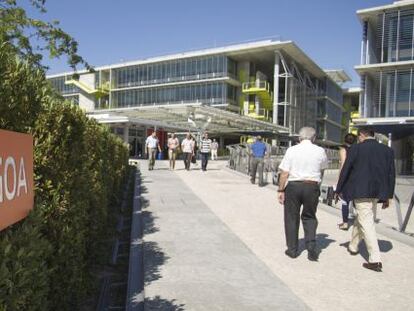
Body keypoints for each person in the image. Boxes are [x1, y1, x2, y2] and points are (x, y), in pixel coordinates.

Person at [335, 127, 395, 272]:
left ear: (362, 135)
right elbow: (391, 174)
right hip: (377, 193)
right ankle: (353, 245)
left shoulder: (356, 149)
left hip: (360, 191)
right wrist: (388, 196)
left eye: (359, 137)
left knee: (366, 222)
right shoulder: (387, 151)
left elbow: (346, 170)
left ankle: (375, 259)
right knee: (362, 218)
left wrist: (339, 189)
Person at [278, 127, 328, 261]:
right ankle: (311, 247)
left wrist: (281, 190)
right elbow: (322, 170)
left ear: (299, 138)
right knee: (309, 216)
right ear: (314, 138)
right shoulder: (320, 151)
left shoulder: (291, 150)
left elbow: (284, 173)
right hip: (311, 186)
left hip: (293, 186)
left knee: (291, 217)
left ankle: (292, 250)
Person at [337, 133, 357, 230]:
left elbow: (343, 164)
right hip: (356, 176)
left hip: (347, 177)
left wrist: (339, 179)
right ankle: (359, 222)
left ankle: (345, 223)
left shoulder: (343, 149)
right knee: (356, 200)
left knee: (345, 200)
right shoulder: (357, 149)